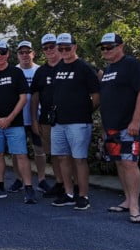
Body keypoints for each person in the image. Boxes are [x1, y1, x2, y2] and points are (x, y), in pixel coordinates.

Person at [98, 33, 140, 224]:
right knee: (119, 162)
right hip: (111, 127)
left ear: (121, 46)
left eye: (109, 47)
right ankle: (127, 200)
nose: (106, 51)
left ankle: (135, 206)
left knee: (130, 163)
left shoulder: (132, 64)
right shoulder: (109, 69)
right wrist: (104, 127)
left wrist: (135, 122)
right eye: (103, 48)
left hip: (129, 127)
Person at [0, 40, 37, 204]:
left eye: (2, 52)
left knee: (21, 156)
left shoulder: (16, 73)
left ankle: (29, 188)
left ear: (8, 54)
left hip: (15, 123)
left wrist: (9, 118)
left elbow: (23, 97)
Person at [50, 33, 100, 210]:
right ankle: (69, 193)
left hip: (78, 122)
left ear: (75, 47)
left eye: (67, 48)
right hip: (59, 121)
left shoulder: (84, 68)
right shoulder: (57, 67)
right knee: (62, 157)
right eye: (61, 48)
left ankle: (83, 195)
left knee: (79, 159)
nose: (64, 51)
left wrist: (85, 111)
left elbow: (96, 95)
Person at [9, 40, 49, 193]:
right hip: (18, 118)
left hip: (37, 118)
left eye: (28, 52)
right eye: (21, 52)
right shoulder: (13, 71)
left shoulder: (40, 71)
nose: (25, 55)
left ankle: (42, 179)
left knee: (39, 150)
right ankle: (19, 179)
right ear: (17, 55)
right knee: (16, 152)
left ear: (34, 53)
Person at [30, 33, 67, 198]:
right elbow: (35, 97)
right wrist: (33, 120)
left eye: (52, 46)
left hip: (69, 118)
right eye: (45, 48)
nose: (49, 50)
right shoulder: (41, 71)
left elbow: (98, 77)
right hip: (47, 119)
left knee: (69, 155)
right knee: (54, 153)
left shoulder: (69, 65)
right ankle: (60, 184)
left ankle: (71, 186)